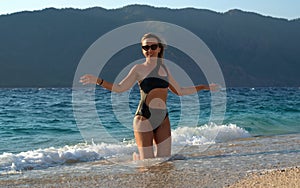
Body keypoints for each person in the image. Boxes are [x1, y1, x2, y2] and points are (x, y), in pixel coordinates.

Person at [80, 33, 219, 160]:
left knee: (164, 162)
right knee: (148, 164)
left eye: (153, 46)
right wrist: (98, 80)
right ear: (142, 49)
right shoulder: (138, 69)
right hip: (143, 117)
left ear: (159, 49)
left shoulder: (165, 69)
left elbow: (180, 91)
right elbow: (120, 88)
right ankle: (139, 160)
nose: (149, 50)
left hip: (163, 118)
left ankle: (139, 159)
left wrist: (204, 87)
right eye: (145, 47)